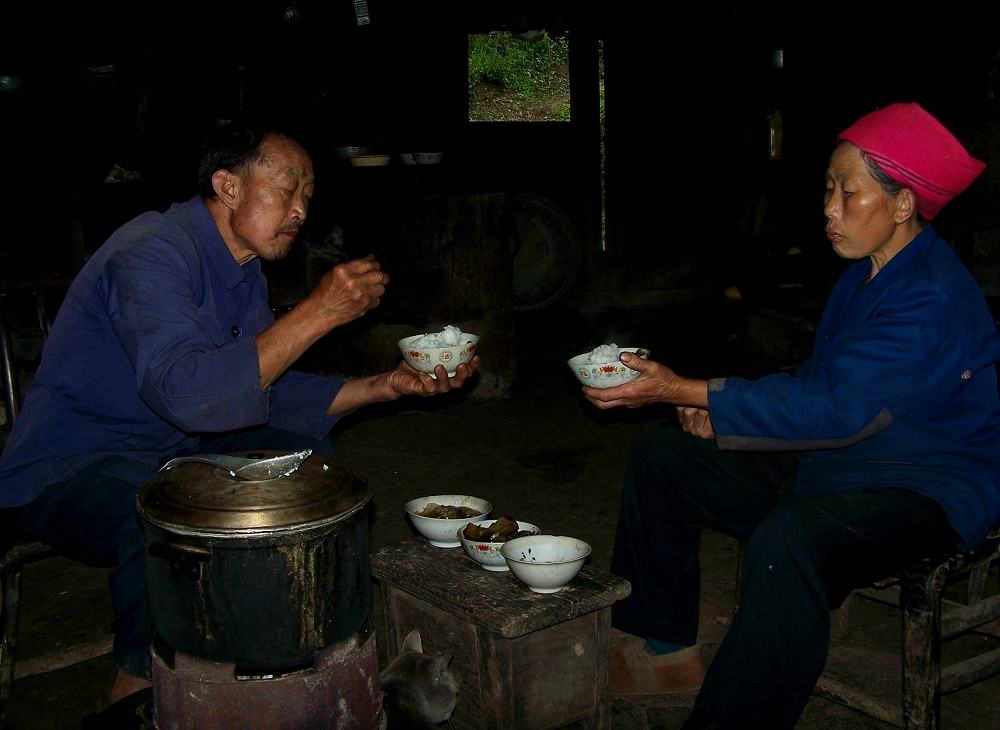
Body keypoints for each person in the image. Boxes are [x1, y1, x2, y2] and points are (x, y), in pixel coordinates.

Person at [0, 120, 479, 721]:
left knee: (309, 468)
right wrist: (318, 312)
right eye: (287, 189)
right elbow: (190, 395)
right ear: (228, 187)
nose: (300, 209)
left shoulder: (242, 268)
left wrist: (386, 386)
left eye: (308, 194)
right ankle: (132, 689)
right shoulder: (150, 252)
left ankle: (295, 641)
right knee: (162, 514)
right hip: (69, 465)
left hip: (171, 451)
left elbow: (254, 389)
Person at [584, 102, 1000, 728]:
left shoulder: (931, 296)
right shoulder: (865, 275)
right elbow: (822, 385)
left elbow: (837, 409)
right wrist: (719, 411)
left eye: (849, 192)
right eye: (828, 188)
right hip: (842, 465)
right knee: (663, 458)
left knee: (791, 539)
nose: (830, 207)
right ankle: (665, 649)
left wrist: (687, 391)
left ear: (903, 204)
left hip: (923, 488)